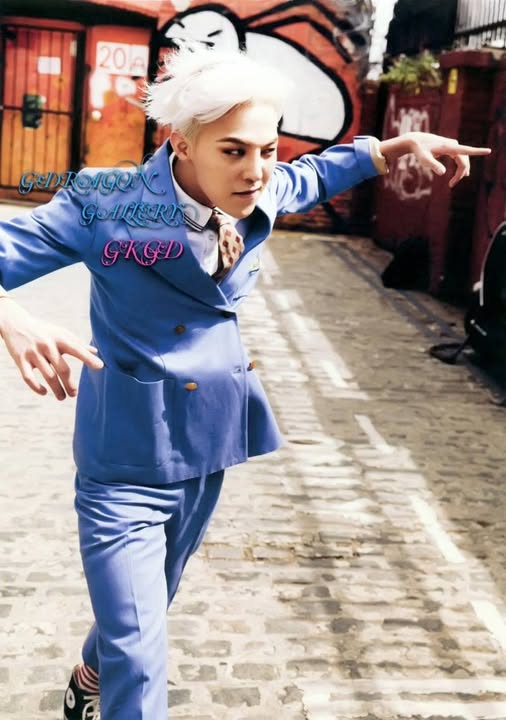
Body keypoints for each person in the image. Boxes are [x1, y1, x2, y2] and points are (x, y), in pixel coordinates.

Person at [0, 44, 491, 720]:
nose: (257, 170)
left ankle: (91, 670)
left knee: (148, 605)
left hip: (209, 447)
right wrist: (11, 315)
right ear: (182, 142)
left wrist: (393, 147)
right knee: (140, 656)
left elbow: (311, 175)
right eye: (234, 151)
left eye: (267, 149)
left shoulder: (259, 189)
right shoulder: (106, 203)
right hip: (124, 460)